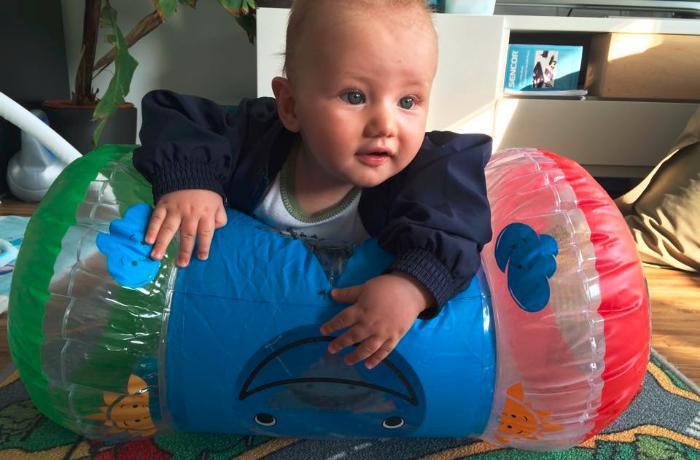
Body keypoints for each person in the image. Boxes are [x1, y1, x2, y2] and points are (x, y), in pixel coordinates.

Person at [132, 0, 492, 370]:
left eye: (408, 101)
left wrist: (411, 287)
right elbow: (181, 118)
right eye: (355, 96)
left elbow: (457, 227)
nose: (386, 124)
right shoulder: (255, 140)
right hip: (236, 332)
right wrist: (192, 181)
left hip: (344, 357)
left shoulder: (427, 175)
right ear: (291, 106)